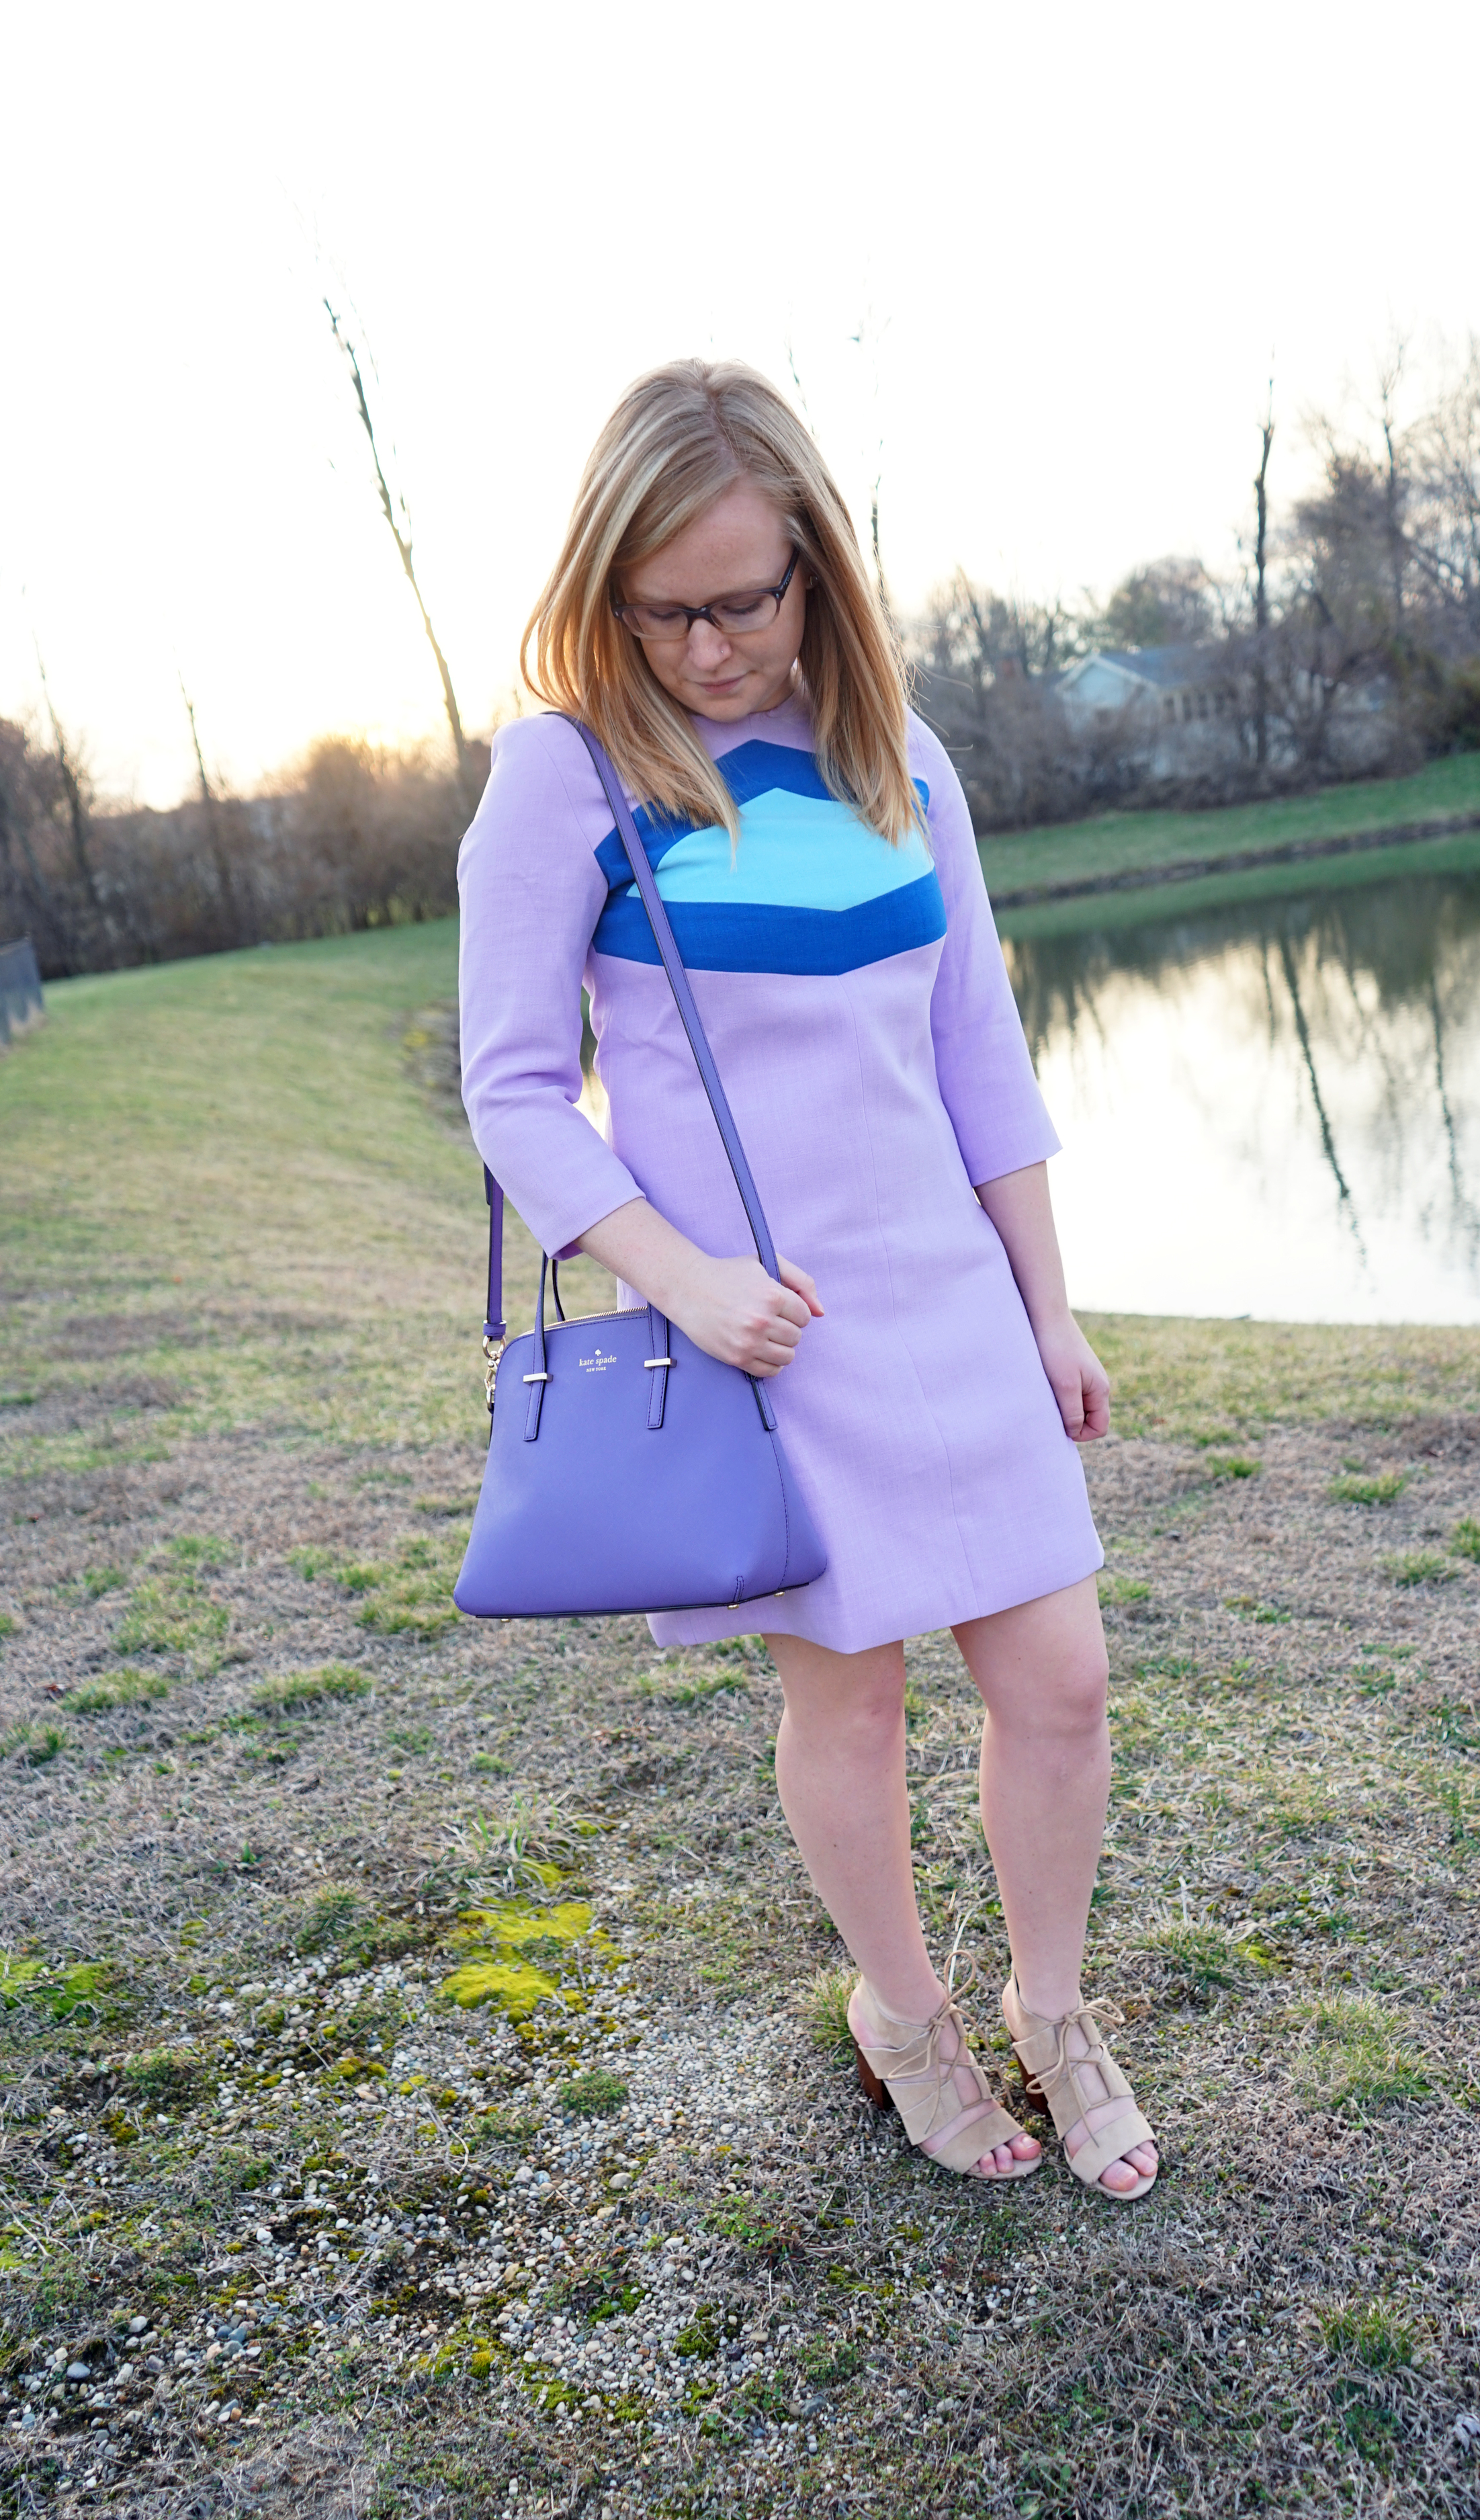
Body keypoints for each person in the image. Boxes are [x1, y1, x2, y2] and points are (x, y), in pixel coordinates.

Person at [456, 360, 1157, 2199]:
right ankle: (905, 2017)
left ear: (814, 570)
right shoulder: (565, 777)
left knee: (1062, 1682)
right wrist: (679, 1279)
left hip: (946, 1300)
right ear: (602, 590)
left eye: (740, 600)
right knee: (848, 1703)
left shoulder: (898, 754)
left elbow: (979, 1053)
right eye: (659, 608)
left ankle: (1053, 2006)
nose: (702, 645)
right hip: (760, 1339)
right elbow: (515, 1090)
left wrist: (1048, 1304)